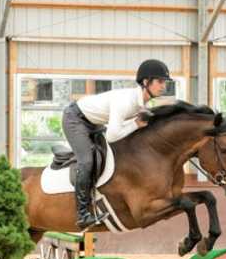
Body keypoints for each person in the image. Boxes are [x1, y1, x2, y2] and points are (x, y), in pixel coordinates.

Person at [62, 59, 172, 229]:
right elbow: (113, 136)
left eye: (164, 82)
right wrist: (135, 124)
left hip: (93, 123)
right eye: (160, 81)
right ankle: (83, 213)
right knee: (87, 161)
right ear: (145, 82)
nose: (163, 85)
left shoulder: (141, 103)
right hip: (75, 119)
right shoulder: (126, 101)